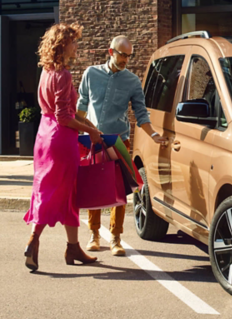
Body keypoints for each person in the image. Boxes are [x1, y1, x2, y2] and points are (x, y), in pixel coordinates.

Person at [77, 35, 167, 256]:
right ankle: (94, 235)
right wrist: (77, 133)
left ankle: (116, 238)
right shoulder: (91, 74)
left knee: (119, 190)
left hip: (119, 141)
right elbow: (80, 107)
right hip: (94, 140)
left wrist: (154, 134)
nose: (126, 59)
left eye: (129, 55)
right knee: (95, 187)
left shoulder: (132, 81)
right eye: (122, 54)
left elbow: (141, 114)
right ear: (111, 52)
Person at [24, 24, 103, 271]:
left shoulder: (46, 72)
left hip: (44, 136)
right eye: (73, 42)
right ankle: (34, 240)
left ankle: (73, 247)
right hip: (61, 139)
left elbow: (59, 112)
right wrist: (89, 131)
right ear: (62, 45)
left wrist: (90, 124)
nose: (76, 46)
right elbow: (64, 117)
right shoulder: (63, 74)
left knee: (58, 191)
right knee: (60, 193)